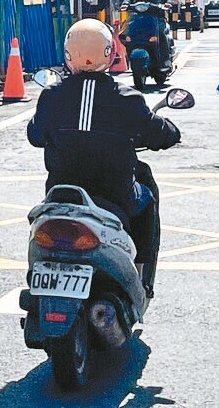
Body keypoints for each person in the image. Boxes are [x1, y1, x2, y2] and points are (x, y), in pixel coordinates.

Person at [27, 19, 182, 296]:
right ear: (110, 54)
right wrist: (170, 130)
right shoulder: (127, 99)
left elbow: (35, 135)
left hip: (61, 196)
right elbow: (160, 134)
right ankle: (142, 279)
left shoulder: (52, 96)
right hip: (114, 197)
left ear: (67, 55)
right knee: (147, 198)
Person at [126, 0, 174, 68]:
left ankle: (164, 60)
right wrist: (126, 2)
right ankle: (130, 58)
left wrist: (168, 3)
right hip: (140, 17)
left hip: (157, 17)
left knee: (161, 33)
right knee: (129, 33)